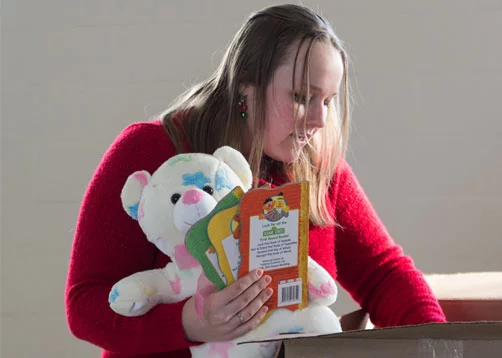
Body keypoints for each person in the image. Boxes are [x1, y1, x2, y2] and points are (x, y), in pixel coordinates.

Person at [65, 4, 446, 357]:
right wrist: (193, 323)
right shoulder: (151, 151)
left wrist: (442, 345)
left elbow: (384, 276)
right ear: (246, 87)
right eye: (302, 97)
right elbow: (85, 305)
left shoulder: (317, 169)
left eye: (328, 101)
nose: (318, 121)